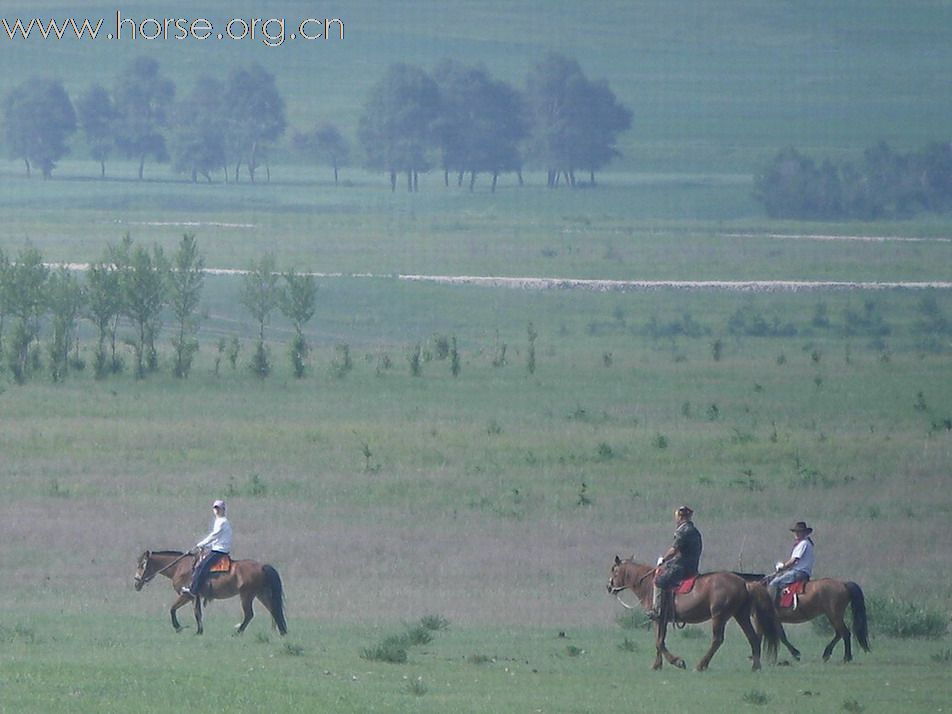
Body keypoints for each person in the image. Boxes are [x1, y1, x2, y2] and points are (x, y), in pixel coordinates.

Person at [648, 505, 703, 620]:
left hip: (681, 567)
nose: (676, 519)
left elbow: (674, 550)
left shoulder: (683, 531)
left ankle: (657, 610)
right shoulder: (695, 531)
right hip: (693, 566)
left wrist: (663, 559)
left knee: (658, 580)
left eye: (677, 516)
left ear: (681, 517)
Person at [181, 499, 232, 598]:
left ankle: (193, 590)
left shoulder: (222, 522)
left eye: (219, 508)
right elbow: (216, 538)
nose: (217, 510)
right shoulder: (219, 521)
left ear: (223, 509)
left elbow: (214, 535)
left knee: (201, 567)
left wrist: (200, 544)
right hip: (217, 548)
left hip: (219, 550)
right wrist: (205, 546)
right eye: (215, 508)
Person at [766, 521, 815, 603]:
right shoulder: (806, 543)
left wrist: (783, 567)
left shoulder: (803, 544)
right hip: (801, 572)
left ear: (804, 533)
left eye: (799, 532)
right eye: (796, 532)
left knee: (774, 583)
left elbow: (794, 560)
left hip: (799, 572)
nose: (796, 534)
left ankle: (770, 608)